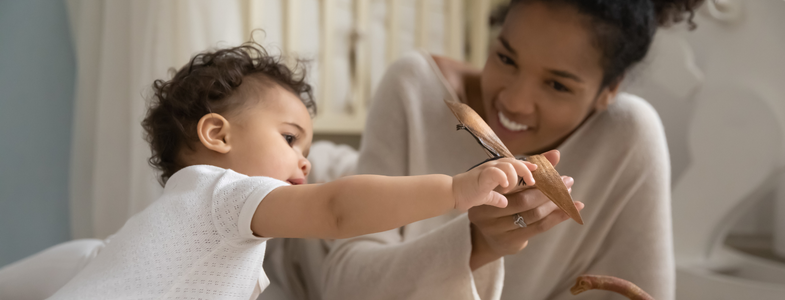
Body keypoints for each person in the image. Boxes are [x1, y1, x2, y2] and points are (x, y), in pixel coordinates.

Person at [46, 43, 539, 300]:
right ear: (218, 135)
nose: (306, 160)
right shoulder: (227, 194)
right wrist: (456, 189)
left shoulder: (170, 217)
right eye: (289, 138)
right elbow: (338, 210)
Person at [322, 0, 704, 299]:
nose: (514, 102)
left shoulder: (629, 136)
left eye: (557, 85)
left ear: (610, 90)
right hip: (316, 205)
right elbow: (342, 287)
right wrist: (474, 246)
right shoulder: (415, 89)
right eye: (505, 58)